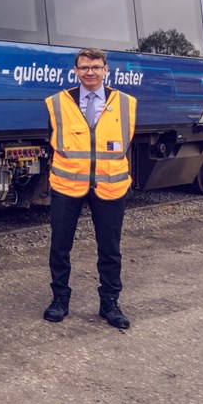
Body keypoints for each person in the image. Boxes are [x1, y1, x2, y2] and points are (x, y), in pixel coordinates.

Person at [43, 48, 137, 329]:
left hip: (110, 186)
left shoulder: (126, 103)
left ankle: (110, 303)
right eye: (84, 67)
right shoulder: (56, 102)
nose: (90, 72)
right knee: (60, 246)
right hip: (67, 184)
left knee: (110, 249)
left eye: (96, 67)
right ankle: (59, 299)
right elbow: (48, 140)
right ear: (75, 71)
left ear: (106, 70)